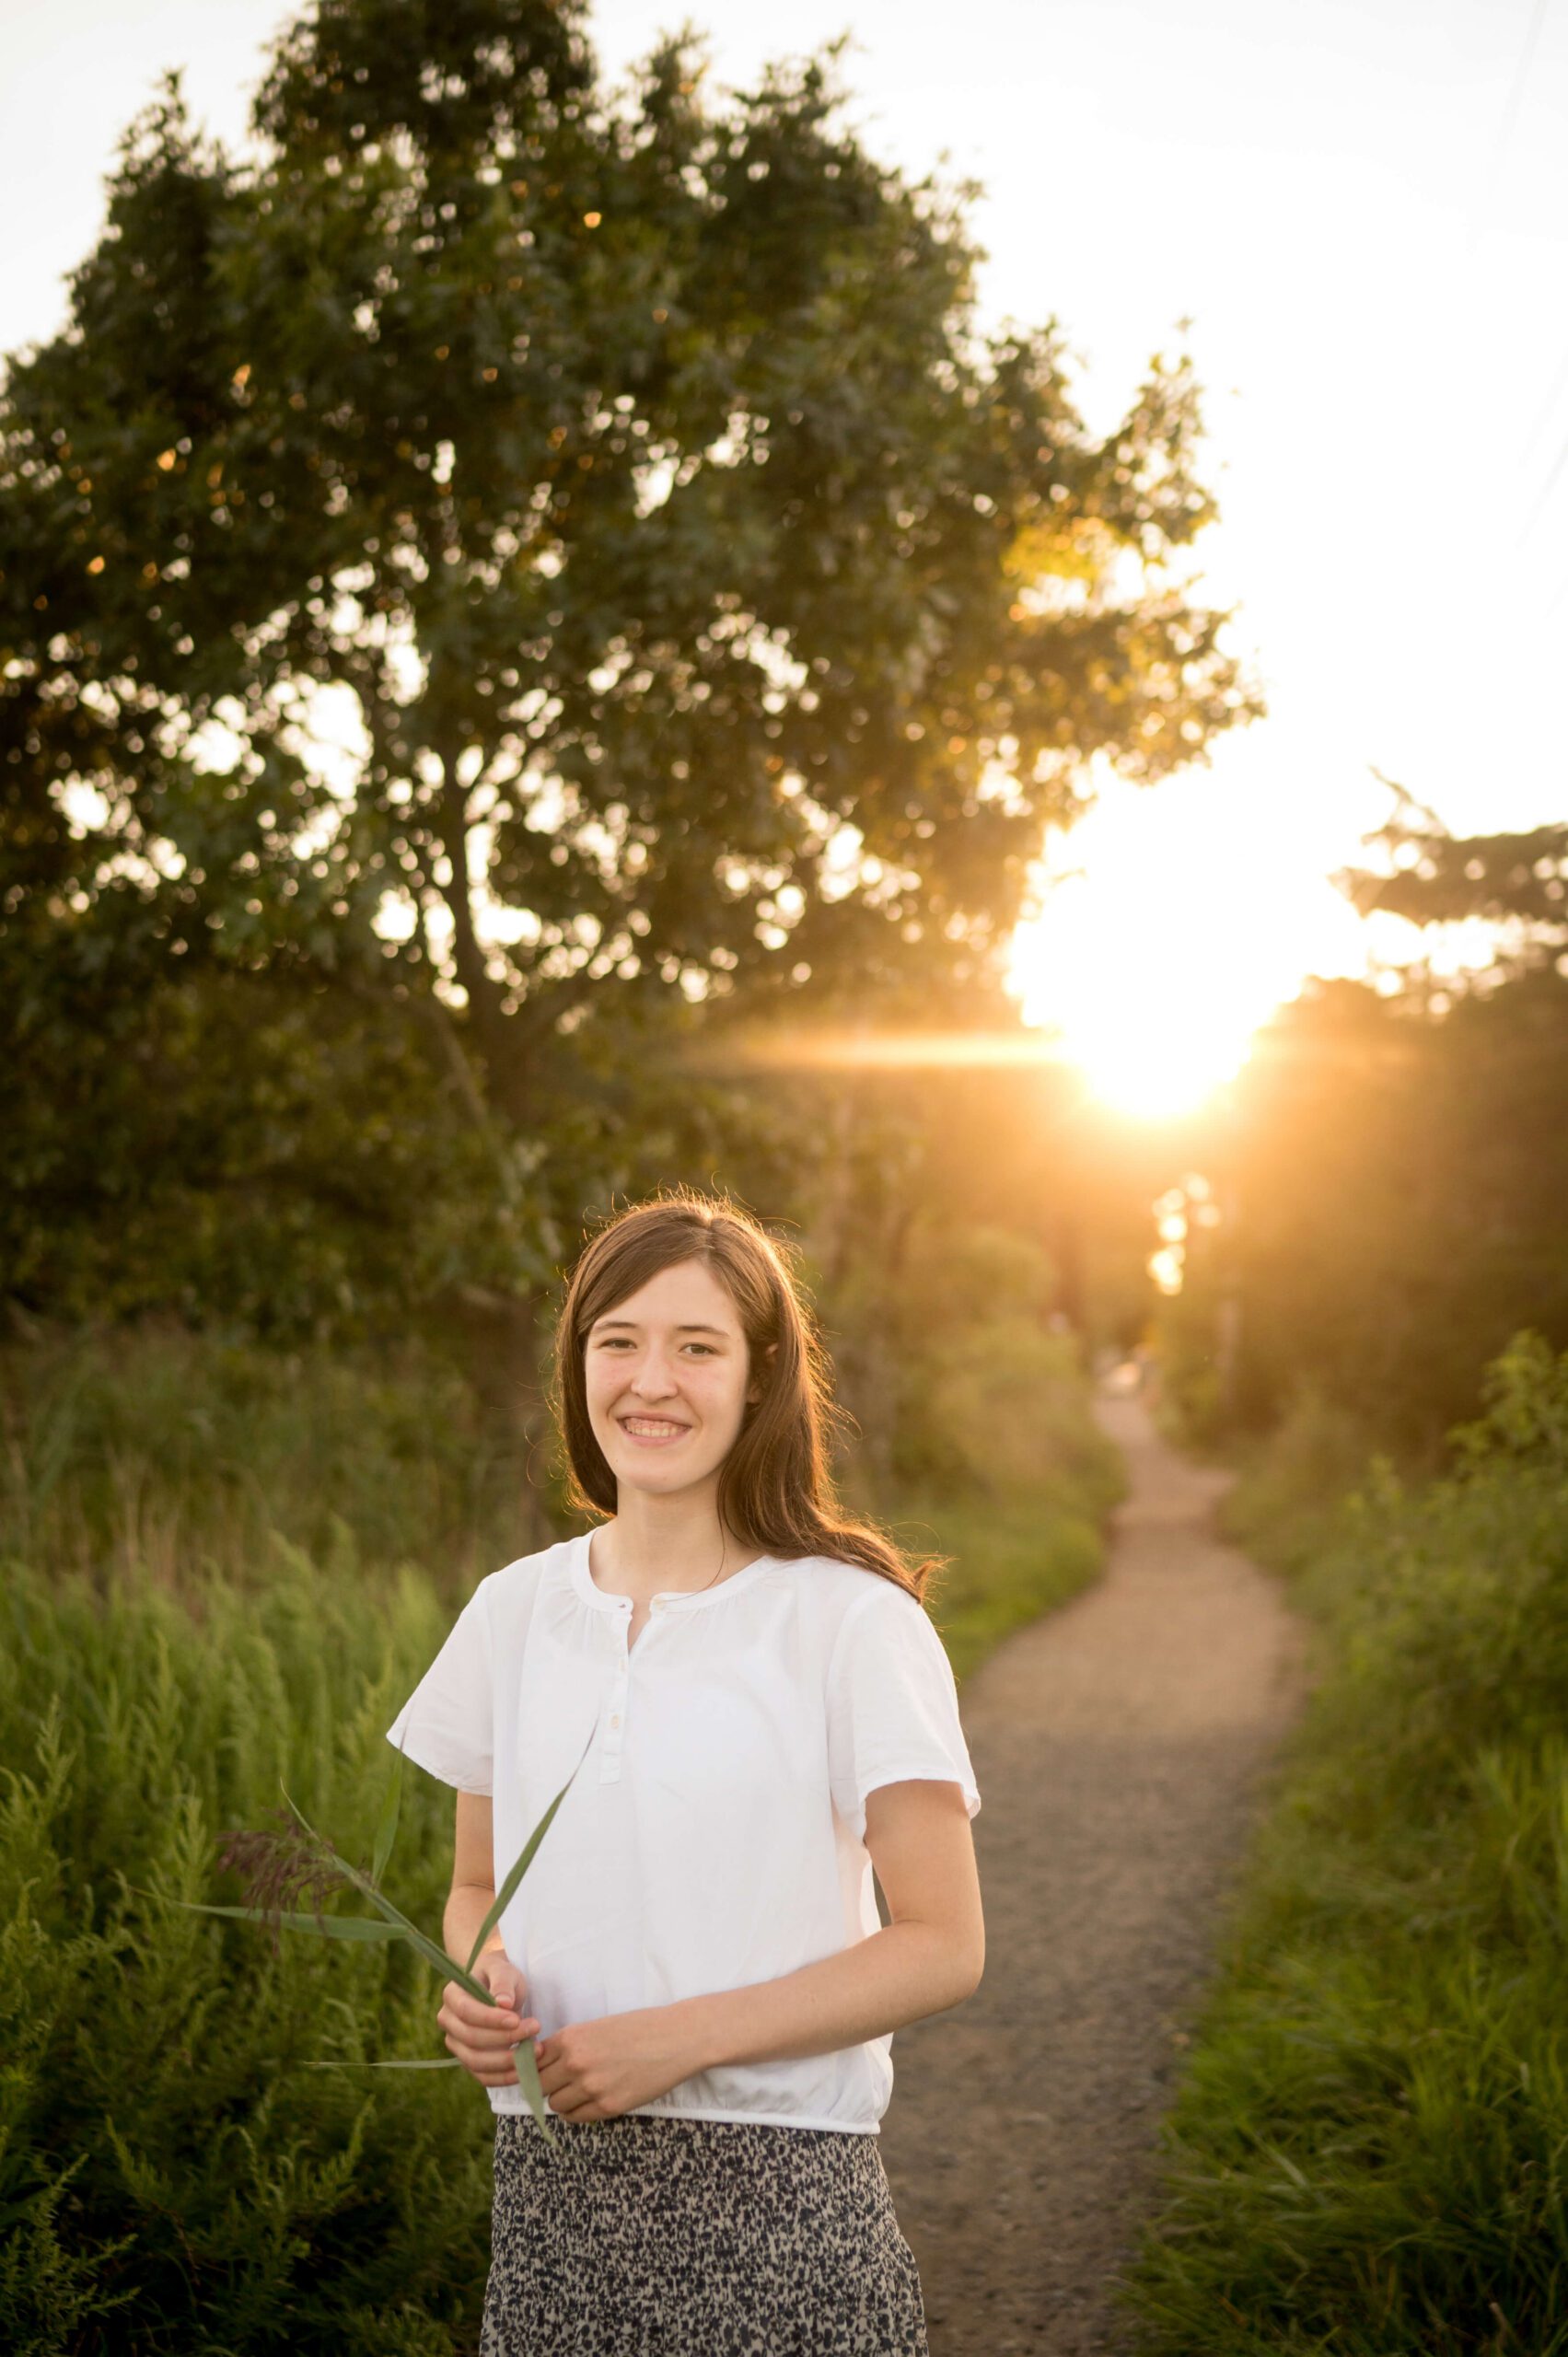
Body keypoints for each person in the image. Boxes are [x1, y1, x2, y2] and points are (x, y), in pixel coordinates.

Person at [386, 1188, 984, 2355]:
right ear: (577, 1363)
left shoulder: (850, 1621)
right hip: (551, 2197)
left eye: (695, 1347)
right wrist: (485, 1982)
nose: (649, 1381)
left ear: (758, 1378)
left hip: (782, 2201)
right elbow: (473, 1889)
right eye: (618, 1340)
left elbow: (943, 1944)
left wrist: (683, 2036)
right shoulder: (513, 1613)